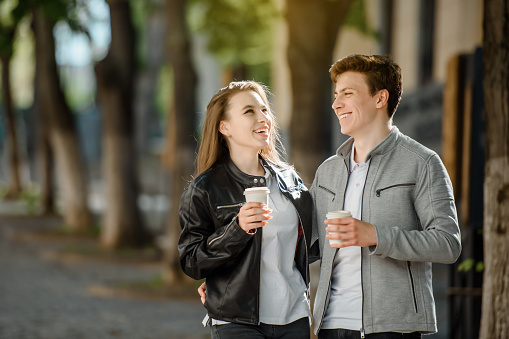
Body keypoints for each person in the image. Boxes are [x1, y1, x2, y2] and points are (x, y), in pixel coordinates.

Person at [310, 54, 462, 338]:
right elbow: (302, 240)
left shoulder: (422, 163)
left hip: (393, 327)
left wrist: (376, 236)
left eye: (348, 93)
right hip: (331, 324)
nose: (336, 104)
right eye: (335, 95)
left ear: (380, 99)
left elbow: (448, 243)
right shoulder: (328, 171)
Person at [178, 81, 314, 339]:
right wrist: (237, 230)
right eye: (249, 111)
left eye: (264, 110)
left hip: (294, 315)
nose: (263, 117)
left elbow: (314, 244)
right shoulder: (204, 189)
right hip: (236, 320)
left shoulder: (290, 180)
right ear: (224, 127)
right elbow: (192, 261)